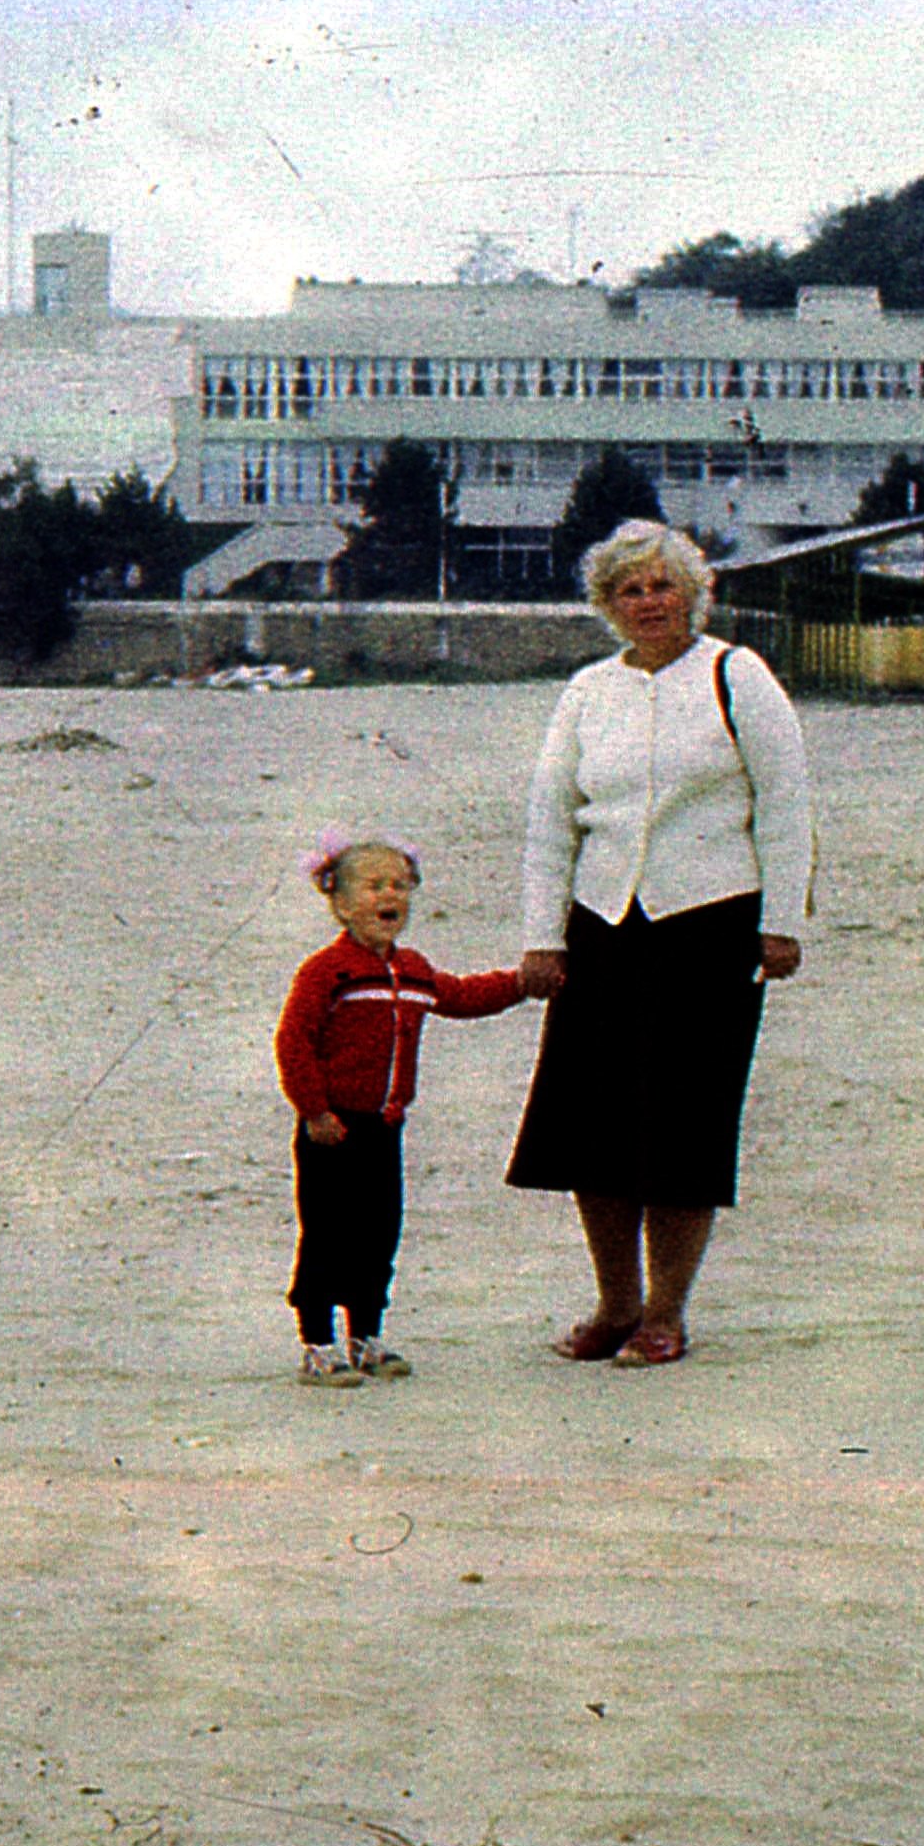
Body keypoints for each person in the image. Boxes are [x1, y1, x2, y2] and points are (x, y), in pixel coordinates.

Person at [508, 519, 813, 1366]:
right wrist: (543, 937)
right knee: (590, 1126)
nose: (649, 602)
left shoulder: (735, 674)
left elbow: (785, 803)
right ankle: (615, 1302)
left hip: (709, 925)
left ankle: (666, 1312)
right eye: (630, 589)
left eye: (662, 585)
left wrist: (781, 920)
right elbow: (549, 820)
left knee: (684, 1124)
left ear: (694, 592)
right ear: (607, 603)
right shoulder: (585, 691)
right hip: (603, 925)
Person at [274, 833, 528, 1387]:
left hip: (385, 1128)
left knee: (379, 1230)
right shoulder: (326, 971)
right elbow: (294, 1042)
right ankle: (317, 1343)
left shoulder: (412, 969)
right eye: (372, 885)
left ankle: (366, 1334)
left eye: (399, 885)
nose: (389, 895)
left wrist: (522, 984)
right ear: (339, 902)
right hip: (332, 1129)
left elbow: (459, 996)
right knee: (326, 1234)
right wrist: (314, 1110)